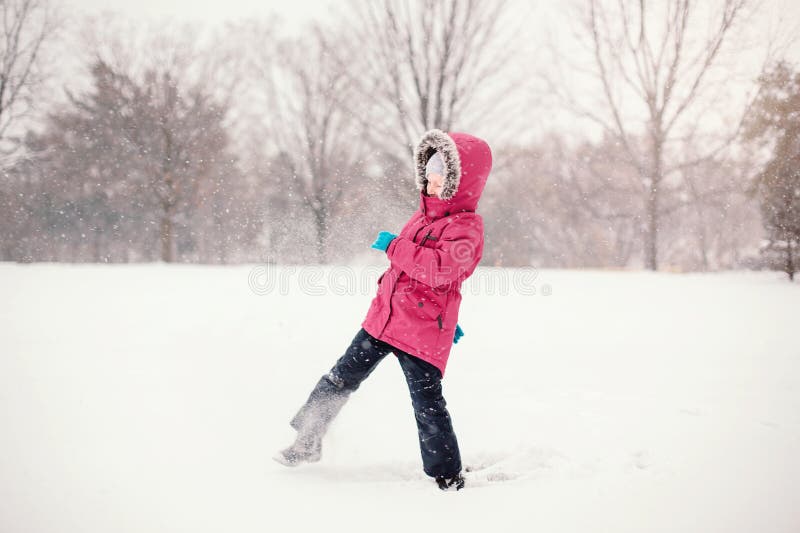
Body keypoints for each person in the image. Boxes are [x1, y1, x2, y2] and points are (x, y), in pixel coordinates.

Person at [274, 129, 492, 491]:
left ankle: (447, 475)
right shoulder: (421, 216)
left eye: (440, 174)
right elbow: (413, 274)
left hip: (420, 330)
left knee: (427, 402)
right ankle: (306, 441)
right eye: (430, 172)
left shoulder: (467, 227)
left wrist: (395, 247)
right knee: (340, 378)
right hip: (384, 320)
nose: (431, 179)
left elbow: (440, 270)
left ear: (460, 181)